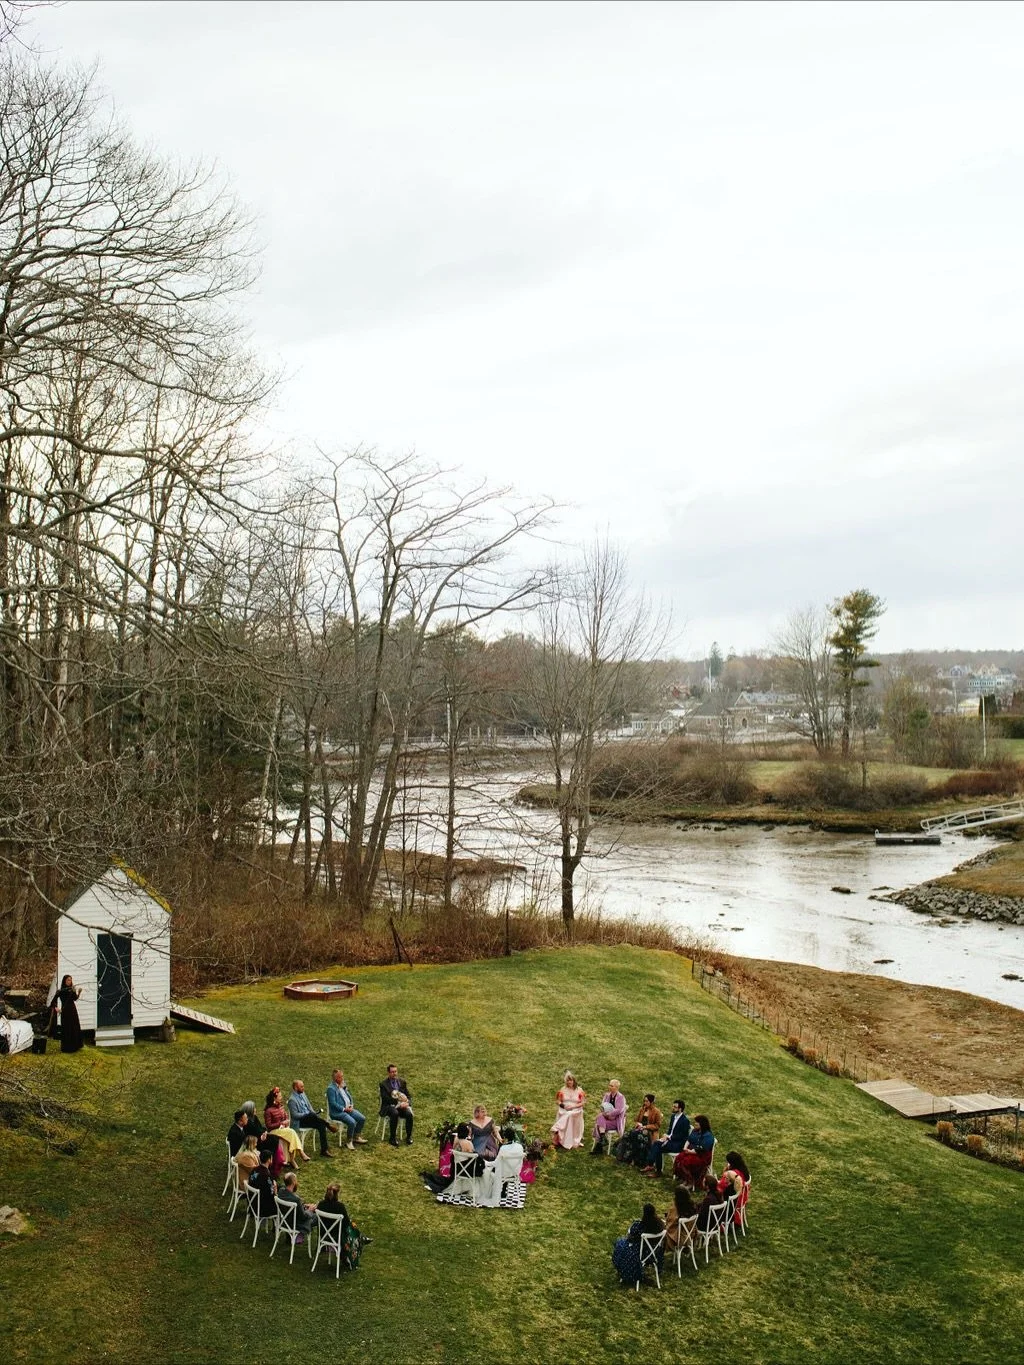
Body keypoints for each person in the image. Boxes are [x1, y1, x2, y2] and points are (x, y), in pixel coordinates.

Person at [316, 1182, 369, 1270]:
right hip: (337, 1237)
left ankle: (361, 1238)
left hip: (324, 1235)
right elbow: (346, 1223)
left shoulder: (321, 1205)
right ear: (337, 1194)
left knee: (351, 1226)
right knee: (351, 1228)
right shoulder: (340, 1207)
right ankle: (359, 1241)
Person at [611, 1202, 665, 1286]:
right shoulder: (659, 1224)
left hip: (641, 1252)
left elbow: (631, 1237)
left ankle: (623, 1271)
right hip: (654, 1252)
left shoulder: (640, 1226)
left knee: (619, 1244)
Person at [287, 1079, 336, 1158]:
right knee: (313, 1117)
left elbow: (309, 1106)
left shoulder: (303, 1094)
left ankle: (324, 1150)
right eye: (301, 1087)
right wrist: (306, 1114)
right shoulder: (292, 1100)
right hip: (300, 1121)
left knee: (321, 1126)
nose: (303, 1088)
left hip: (310, 1119)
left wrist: (313, 1113)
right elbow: (294, 1115)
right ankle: (328, 1124)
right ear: (296, 1088)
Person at [643, 1099, 691, 1178]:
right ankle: (655, 1168)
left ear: (680, 1109)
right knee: (658, 1144)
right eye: (673, 1106)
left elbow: (682, 1136)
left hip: (678, 1144)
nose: (673, 1108)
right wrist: (666, 1136)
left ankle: (652, 1165)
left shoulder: (685, 1121)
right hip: (670, 1140)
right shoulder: (673, 1117)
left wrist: (669, 1137)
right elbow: (670, 1130)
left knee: (657, 1145)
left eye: (675, 1107)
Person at [264, 1086, 311, 1164]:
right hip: (273, 1131)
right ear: (274, 1098)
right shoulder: (268, 1111)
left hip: (282, 1129)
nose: (281, 1097)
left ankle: (292, 1159)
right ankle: (300, 1153)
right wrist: (281, 1123)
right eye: (279, 1096)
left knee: (291, 1133)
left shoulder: (281, 1107)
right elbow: (269, 1125)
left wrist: (286, 1120)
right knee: (291, 1132)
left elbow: (285, 1116)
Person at [242, 1099, 286, 1178]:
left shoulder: (254, 1118)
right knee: (273, 1141)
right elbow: (255, 1133)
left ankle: (273, 1163)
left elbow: (261, 1127)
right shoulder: (248, 1123)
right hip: (256, 1142)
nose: (255, 1109)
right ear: (250, 1110)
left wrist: (264, 1131)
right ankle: (270, 1164)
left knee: (275, 1138)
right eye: (254, 1108)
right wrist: (263, 1134)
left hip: (261, 1137)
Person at [615, 1092, 662, 1166]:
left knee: (636, 1135)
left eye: (647, 1101)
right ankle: (620, 1156)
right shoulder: (642, 1109)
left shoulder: (656, 1112)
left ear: (652, 1102)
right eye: (644, 1101)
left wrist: (646, 1126)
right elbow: (636, 1120)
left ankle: (636, 1159)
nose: (645, 1103)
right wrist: (638, 1124)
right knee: (626, 1135)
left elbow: (657, 1125)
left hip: (649, 1132)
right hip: (640, 1129)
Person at [326, 1069, 367, 1149]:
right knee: (352, 1122)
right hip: (338, 1112)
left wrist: (351, 1104)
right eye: (341, 1077)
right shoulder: (331, 1089)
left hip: (348, 1109)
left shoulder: (342, 1085)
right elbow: (333, 1103)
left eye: (342, 1076)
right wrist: (344, 1109)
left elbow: (349, 1096)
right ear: (335, 1078)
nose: (342, 1078)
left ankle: (356, 1136)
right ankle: (349, 1142)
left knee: (362, 1118)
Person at [674, 1114, 714, 1187]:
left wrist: (690, 1151)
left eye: (697, 1122)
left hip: (701, 1156)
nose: (695, 1124)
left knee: (685, 1162)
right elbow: (689, 1140)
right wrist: (685, 1148)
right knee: (679, 1158)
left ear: (702, 1124)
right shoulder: (695, 1131)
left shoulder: (708, 1135)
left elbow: (702, 1149)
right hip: (690, 1151)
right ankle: (683, 1178)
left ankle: (690, 1181)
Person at [378, 1063, 414, 1146]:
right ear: (388, 1073)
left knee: (409, 1114)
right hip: (388, 1106)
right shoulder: (383, 1084)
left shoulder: (402, 1082)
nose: (394, 1073)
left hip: (401, 1106)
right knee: (395, 1113)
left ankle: (409, 1137)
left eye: (395, 1071)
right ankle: (392, 1138)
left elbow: (408, 1095)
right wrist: (399, 1103)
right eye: (392, 1072)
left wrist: (407, 1102)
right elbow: (386, 1098)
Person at [48, 975, 83, 1053]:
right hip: (65, 1011)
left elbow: (75, 998)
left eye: (70, 980)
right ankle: (67, 1048)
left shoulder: (71, 990)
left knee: (74, 1027)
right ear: (64, 981)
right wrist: (57, 1009)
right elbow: (53, 1002)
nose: (69, 981)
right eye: (68, 980)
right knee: (67, 1028)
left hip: (73, 1011)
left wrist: (78, 992)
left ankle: (76, 1046)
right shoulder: (61, 991)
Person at [551, 1072, 586, 1150]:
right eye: (567, 1080)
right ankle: (560, 1135)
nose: (569, 1082)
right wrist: (563, 1106)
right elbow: (558, 1101)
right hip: (565, 1108)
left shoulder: (579, 1090)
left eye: (571, 1080)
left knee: (569, 1114)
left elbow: (583, 1102)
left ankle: (557, 1129)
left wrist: (573, 1106)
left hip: (576, 1109)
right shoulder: (563, 1089)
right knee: (566, 1113)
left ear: (574, 1081)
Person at [591, 1079, 627, 1155]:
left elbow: (619, 1110)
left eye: (611, 1086)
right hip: (606, 1119)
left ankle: (599, 1147)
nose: (609, 1087)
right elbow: (602, 1106)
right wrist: (604, 1113)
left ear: (617, 1087)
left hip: (615, 1121)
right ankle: (603, 1138)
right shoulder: (607, 1095)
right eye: (609, 1085)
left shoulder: (621, 1097)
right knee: (600, 1117)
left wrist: (608, 1114)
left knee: (598, 1124)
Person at [276, 1171, 315, 1238]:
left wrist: (303, 1205)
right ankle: (301, 1233)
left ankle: (291, 1237)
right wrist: (310, 1210)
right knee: (314, 1217)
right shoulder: (296, 1199)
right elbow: (303, 1217)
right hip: (295, 1224)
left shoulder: (281, 1191)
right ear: (293, 1182)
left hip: (284, 1221)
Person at [664, 1184, 698, 1253]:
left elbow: (670, 1224)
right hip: (690, 1235)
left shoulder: (675, 1208)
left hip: (678, 1238)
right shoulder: (692, 1206)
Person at [247, 1147, 277, 1218]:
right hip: (261, 1208)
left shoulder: (255, 1169)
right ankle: (276, 1227)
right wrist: (275, 1189)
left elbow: (251, 1181)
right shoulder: (266, 1175)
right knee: (281, 1204)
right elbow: (272, 1193)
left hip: (252, 1204)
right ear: (269, 1160)